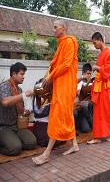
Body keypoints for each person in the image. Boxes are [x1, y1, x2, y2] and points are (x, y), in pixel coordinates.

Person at [32, 19, 79, 165]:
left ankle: (46, 153)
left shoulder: (70, 42)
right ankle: (75, 145)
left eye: (55, 27)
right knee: (66, 114)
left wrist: (51, 76)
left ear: (63, 28)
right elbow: (58, 65)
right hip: (60, 84)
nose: (53, 30)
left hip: (66, 85)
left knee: (58, 115)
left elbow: (65, 65)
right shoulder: (62, 43)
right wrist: (51, 76)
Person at [87, 32, 110, 144]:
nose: (94, 46)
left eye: (95, 43)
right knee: (98, 112)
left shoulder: (109, 53)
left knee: (107, 110)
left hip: (106, 87)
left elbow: (108, 72)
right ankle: (97, 136)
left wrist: (97, 67)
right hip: (99, 86)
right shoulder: (101, 54)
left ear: (100, 40)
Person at [0, 62, 36, 156]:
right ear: (14, 74)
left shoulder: (19, 89)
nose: (23, 77)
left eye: (24, 74)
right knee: (15, 149)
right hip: (3, 126)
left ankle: (13, 142)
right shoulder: (4, 86)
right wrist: (23, 95)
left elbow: (20, 110)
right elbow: (5, 102)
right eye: (21, 74)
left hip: (17, 125)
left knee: (32, 142)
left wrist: (25, 111)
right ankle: (10, 144)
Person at [74, 63, 93, 134]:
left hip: (86, 108)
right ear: (83, 73)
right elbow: (78, 93)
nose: (89, 76)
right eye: (87, 73)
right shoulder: (79, 82)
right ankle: (75, 128)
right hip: (78, 108)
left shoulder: (92, 83)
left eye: (90, 74)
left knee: (87, 129)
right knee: (86, 129)